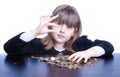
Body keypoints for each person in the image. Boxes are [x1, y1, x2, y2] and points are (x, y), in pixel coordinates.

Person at [4, 4, 114, 63]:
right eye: (59, 24)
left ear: (75, 31)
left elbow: (108, 46)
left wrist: (89, 52)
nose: (62, 30)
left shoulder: (81, 43)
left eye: (69, 27)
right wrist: (36, 31)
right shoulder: (36, 44)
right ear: (51, 24)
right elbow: (9, 48)